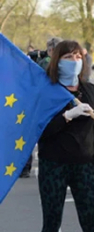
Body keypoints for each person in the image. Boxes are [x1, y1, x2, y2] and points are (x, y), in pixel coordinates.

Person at [38, 40, 94, 232]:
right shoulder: (48, 91)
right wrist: (67, 116)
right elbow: (41, 132)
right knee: (51, 224)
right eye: (68, 57)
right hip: (53, 166)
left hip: (84, 166)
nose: (74, 61)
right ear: (58, 60)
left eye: (78, 56)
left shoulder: (90, 90)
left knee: (91, 224)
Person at [20, 37, 63, 178]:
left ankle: (25, 167)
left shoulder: (45, 62)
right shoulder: (53, 63)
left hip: (40, 104)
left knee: (33, 135)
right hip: (53, 106)